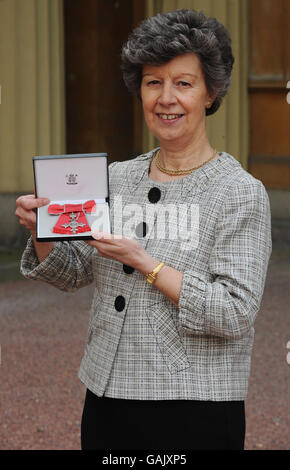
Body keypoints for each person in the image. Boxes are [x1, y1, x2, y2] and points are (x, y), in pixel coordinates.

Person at [16, 9, 272, 450]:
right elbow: (71, 272)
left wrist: (145, 263)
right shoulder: (116, 178)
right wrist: (42, 229)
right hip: (106, 397)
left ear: (211, 93)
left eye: (183, 83)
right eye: (154, 82)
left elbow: (234, 312)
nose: (166, 98)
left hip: (194, 407)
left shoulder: (239, 193)